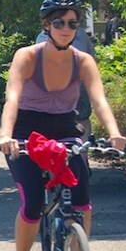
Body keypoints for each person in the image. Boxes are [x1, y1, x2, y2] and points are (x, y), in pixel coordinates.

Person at [0, 0, 126, 251]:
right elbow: (12, 97)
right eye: (59, 23)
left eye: (72, 23)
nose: (66, 29)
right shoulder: (27, 56)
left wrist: (113, 133)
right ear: (46, 25)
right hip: (26, 133)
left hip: (66, 128)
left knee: (82, 201)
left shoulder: (83, 60)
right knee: (33, 203)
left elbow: (99, 100)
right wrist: (6, 135)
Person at [36, 24, 95, 165]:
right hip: (55, 87)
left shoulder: (80, 34)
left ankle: (82, 156)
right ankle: (61, 159)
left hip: (74, 85)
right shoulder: (44, 37)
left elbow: (92, 60)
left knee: (81, 117)